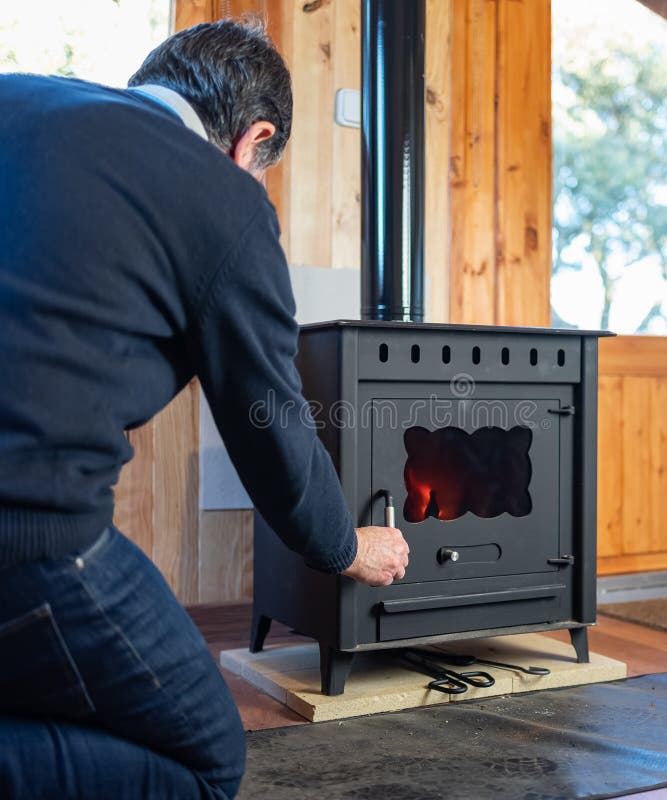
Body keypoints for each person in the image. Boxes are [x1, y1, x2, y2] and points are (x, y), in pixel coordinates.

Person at [0, 18, 409, 800]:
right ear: (253, 139)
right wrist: (345, 548)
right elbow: (272, 428)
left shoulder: (17, 99)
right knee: (208, 763)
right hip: (27, 534)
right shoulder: (224, 198)